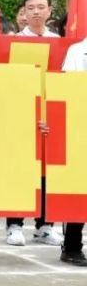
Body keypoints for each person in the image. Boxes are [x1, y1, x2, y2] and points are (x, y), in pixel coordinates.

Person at [6, 0, 63, 246]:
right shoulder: (13, 42)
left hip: (50, 114)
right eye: (31, 8)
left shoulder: (60, 43)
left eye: (41, 7)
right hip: (20, 114)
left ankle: (45, 225)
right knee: (20, 169)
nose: (36, 12)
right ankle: (14, 224)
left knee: (47, 171)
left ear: (50, 11)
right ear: (24, 13)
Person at [58, 37, 87, 266]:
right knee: (79, 190)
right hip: (82, 127)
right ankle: (72, 246)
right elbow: (69, 89)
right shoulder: (78, 52)